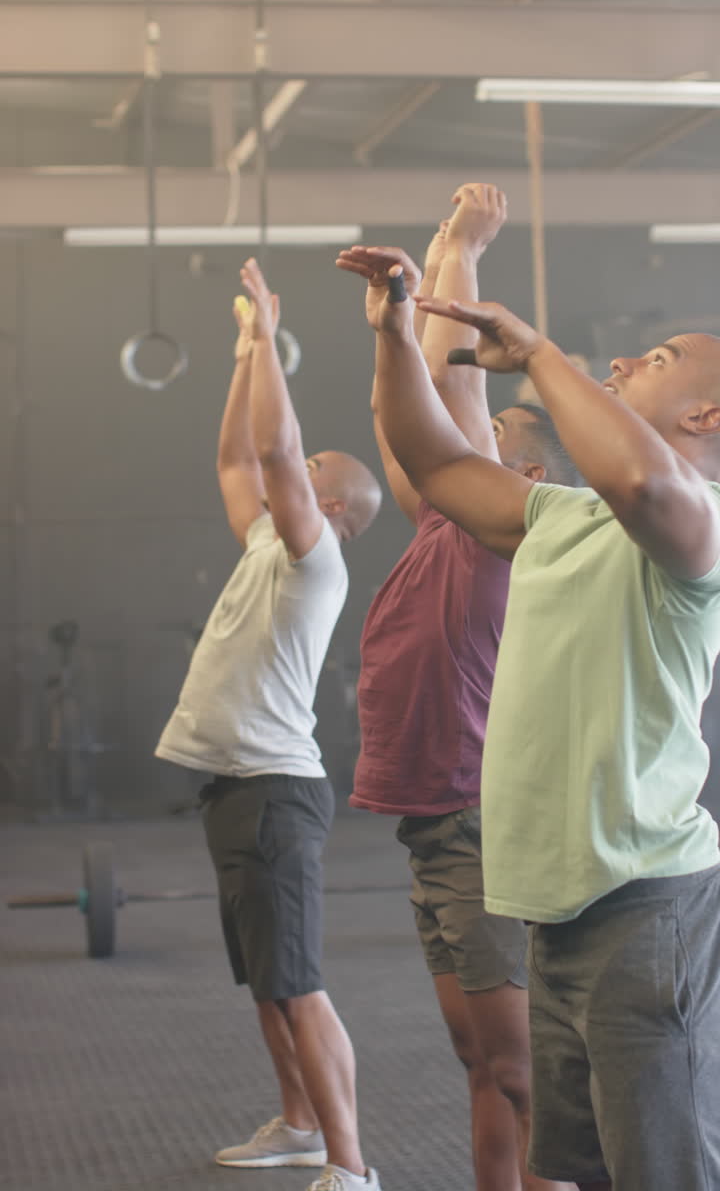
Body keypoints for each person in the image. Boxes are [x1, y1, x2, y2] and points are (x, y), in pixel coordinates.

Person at [350, 248, 720, 1191]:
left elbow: (647, 485)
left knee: (662, 1171)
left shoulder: (703, 519)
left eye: (659, 358)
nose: (628, 362)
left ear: (705, 417)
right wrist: (395, 338)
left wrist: (538, 353)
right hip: (553, 911)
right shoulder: (561, 517)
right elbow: (435, 462)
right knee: (580, 1167)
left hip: (648, 908)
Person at [337, 185, 577, 1191]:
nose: (460, 431)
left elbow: (449, 390)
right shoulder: (447, 518)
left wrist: (462, 251)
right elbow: (414, 413)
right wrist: (410, 291)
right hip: (434, 826)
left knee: (527, 1079)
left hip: (481, 821)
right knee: (483, 1067)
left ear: (517, 465)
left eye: (486, 430)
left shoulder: (514, 522)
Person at [156, 258, 383, 1191]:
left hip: (278, 791)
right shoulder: (264, 537)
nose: (300, 460)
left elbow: (278, 455)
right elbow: (237, 461)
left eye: (314, 467)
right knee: (267, 978)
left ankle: (351, 1164)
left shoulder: (316, 558)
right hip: (234, 788)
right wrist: (250, 351)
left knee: (298, 980)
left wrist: (270, 352)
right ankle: (297, 1123)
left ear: (328, 508)